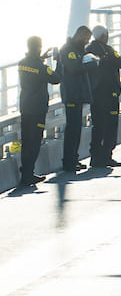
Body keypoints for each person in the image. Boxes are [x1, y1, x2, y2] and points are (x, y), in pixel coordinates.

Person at [85, 25, 121, 168]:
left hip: (94, 95)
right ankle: (107, 156)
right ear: (103, 36)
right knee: (110, 126)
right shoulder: (107, 50)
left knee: (97, 126)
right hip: (109, 95)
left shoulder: (87, 51)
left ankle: (95, 158)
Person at [17, 36, 60, 187]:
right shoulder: (41, 67)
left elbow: (33, 69)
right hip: (37, 109)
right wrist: (58, 61)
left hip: (25, 106)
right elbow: (56, 78)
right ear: (39, 47)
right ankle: (28, 174)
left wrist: (40, 58)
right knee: (35, 142)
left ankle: (26, 173)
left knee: (26, 141)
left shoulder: (22, 63)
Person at [57, 25, 95, 172]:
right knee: (72, 129)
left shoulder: (79, 50)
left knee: (77, 128)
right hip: (71, 93)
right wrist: (88, 65)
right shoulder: (68, 49)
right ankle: (68, 161)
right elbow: (73, 68)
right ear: (80, 35)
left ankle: (74, 158)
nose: (87, 42)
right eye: (86, 38)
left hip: (78, 94)